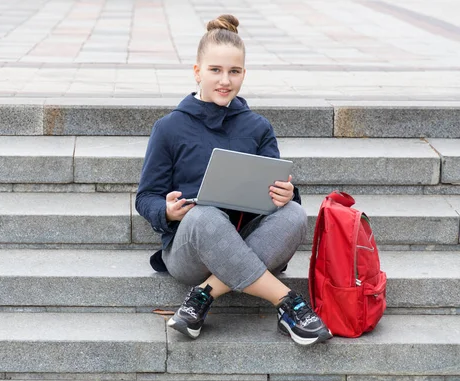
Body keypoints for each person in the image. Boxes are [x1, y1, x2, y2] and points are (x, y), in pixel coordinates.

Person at [135, 14, 332, 346]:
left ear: (243, 74)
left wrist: (287, 194)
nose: (225, 80)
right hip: (190, 249)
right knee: (205, 215)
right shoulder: (169, 127)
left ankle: (202, 297)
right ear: (197, 71)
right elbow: (146, 197)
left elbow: (277, 188)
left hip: (247, 237)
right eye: (215, 70)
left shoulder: (257, 127)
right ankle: (288, 303)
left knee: (296, 214)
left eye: (234, 71)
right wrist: (167, 211)